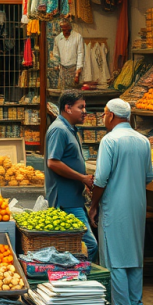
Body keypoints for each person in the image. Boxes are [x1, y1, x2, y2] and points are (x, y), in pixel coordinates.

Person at [89, 98, 153, 305]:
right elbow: (149, 176)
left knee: (115, 258)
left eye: (104, 113)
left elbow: (101, 179)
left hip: (114, 206)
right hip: (137, 206)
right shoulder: (143, 141)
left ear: (111, 115)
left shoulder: (109, 140)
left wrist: (93, 205)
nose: (103, 117)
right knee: (134, 257)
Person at [45, 90, 97, 261]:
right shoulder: (59, 130)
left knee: (72, 247)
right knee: (89, 245)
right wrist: (82, 178)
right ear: (67, 108)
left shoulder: (70, 129)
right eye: (80, 107)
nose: (84, 111)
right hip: (65, 201)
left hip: (73, 199)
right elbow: (53, 162)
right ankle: (78, 275)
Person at [53, 20, 84, 88]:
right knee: (62, 90)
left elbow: (80, 53)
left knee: (74, 90)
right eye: (63, 30)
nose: (66, 32)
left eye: (67, 30)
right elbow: (56, 53)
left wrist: (78, 71)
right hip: (62, 69)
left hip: (74, 68)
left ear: (70, 28)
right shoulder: (58, 38)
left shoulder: (78, 37)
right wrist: (57, 64)